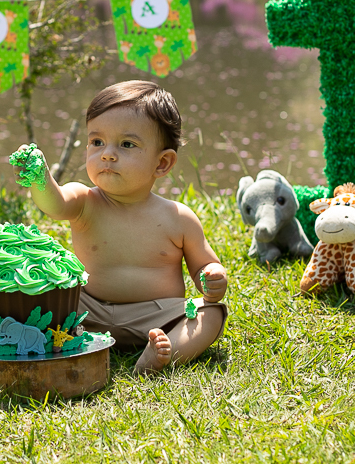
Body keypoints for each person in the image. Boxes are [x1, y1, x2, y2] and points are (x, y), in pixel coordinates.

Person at [17, 80, 228, 374]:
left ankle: (163, 352)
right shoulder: (84, 200)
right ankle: (49, 341)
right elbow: (54, 203)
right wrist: (40, 179)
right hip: (86, 310)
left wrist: (212, 278)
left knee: (211, 314)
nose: (107, 154)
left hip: (157, 315)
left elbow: (204, 267)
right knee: (34, 291)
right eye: (97, 142)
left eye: (127, 144)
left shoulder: (178, 217)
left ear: (162, 163)